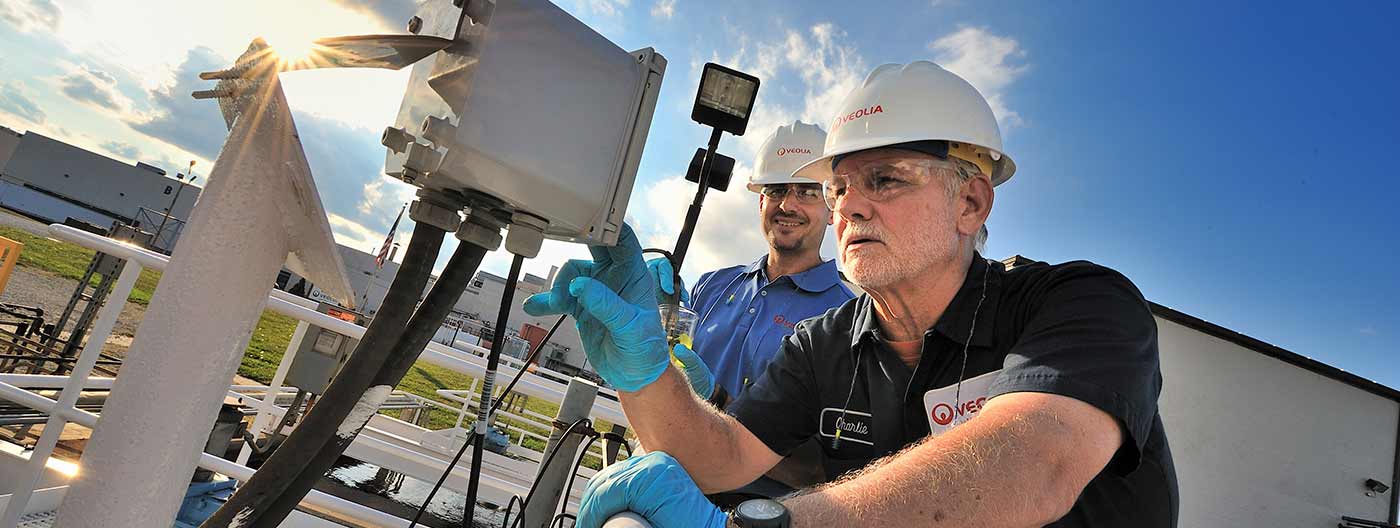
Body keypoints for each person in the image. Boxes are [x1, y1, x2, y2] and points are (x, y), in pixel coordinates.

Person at [524, 61, 1177, 527]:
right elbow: (721, 456)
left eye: (885, 180)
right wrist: (644, 375)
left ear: (971, 201)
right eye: (838, 188)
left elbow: (1028, 465)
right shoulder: (827, 343)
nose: (848, 207)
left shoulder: (1080, 304)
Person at [647, 121, 856, 497]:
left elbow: (829, 469)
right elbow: (658, 370)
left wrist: (719, 405)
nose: (787, 205)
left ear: (832, 208)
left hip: (758, 514)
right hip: (661, 483)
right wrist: (648, 310)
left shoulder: (850, 317)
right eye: (776, 190)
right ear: (760, 200)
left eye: (807, 192)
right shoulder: (712, 285)